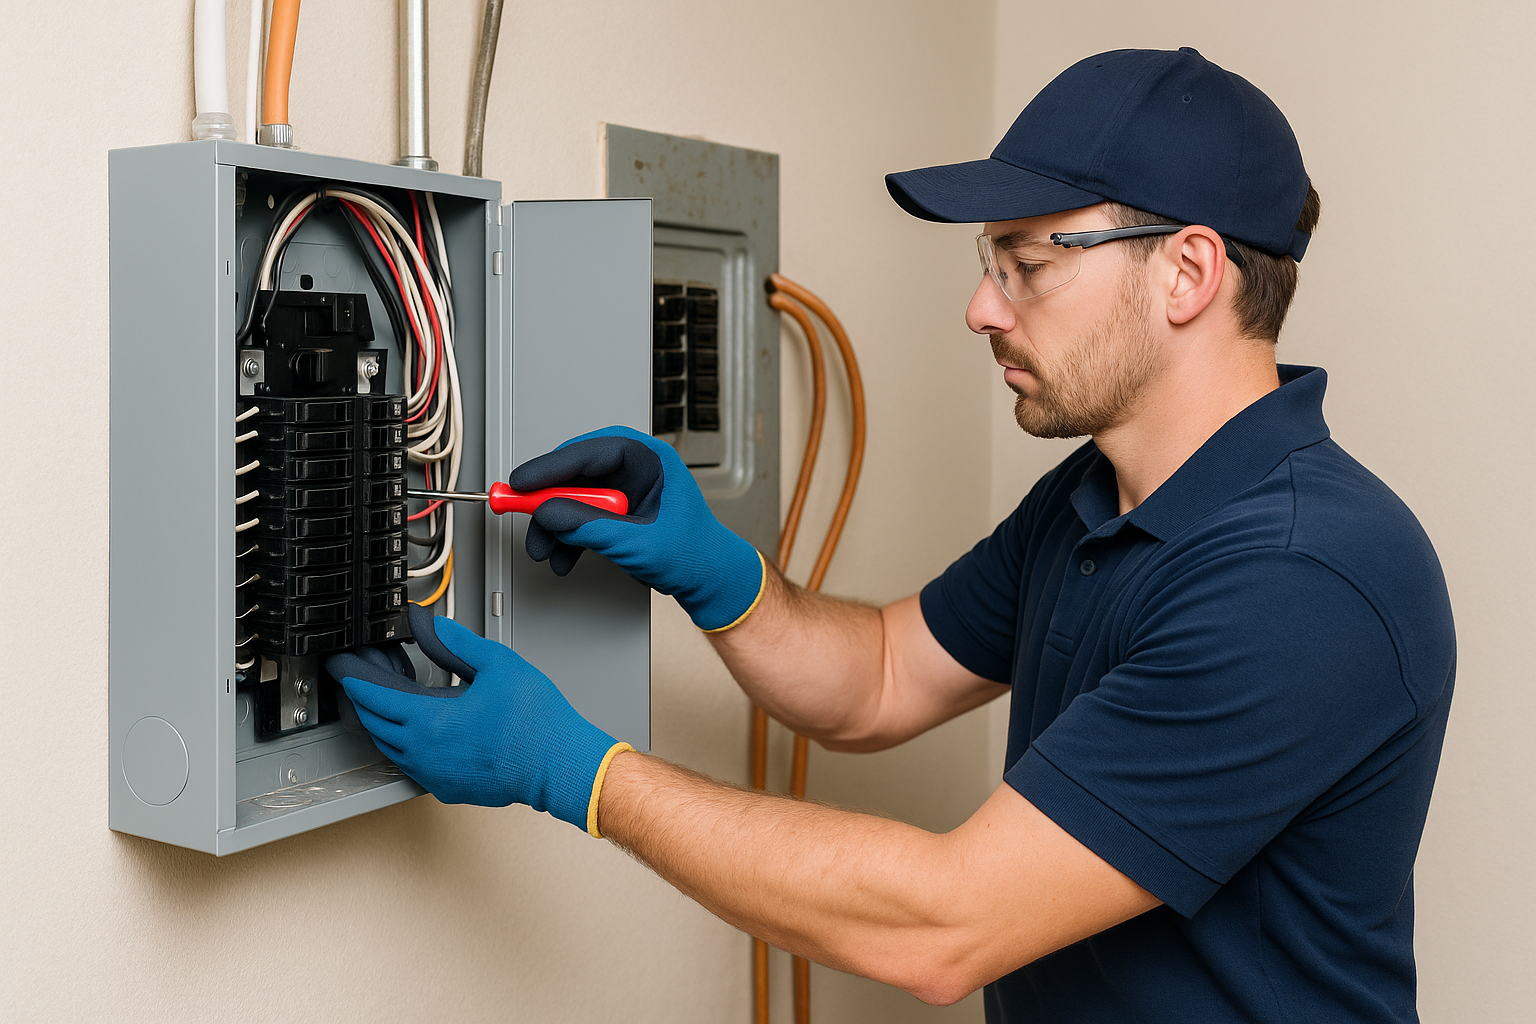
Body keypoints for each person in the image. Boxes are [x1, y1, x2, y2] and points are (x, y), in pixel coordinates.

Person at [328, 47, 1455, 1023]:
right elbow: (876, 678)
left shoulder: (1306, 576)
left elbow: (944, 924)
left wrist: (572, 770)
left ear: (1188, 271)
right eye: (986, 267)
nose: (982, 307)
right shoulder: (1096, 495)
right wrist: (718, 571)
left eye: (1028, 264)